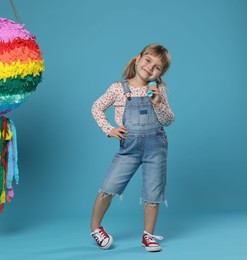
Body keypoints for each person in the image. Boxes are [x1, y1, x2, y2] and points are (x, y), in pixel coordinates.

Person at [90, 44, 174, 252]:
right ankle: (95, 228)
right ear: (138, 59)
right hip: (129, 148)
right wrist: (109, 129)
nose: (150, 68)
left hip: (156, 148)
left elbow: (168, 120)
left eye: (157, 67)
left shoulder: (158, 91)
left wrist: (157, 103)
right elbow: (96, 107)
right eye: (148, 61)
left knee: (153, 192)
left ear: (160, 74)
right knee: (109, 187)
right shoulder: (118, 88)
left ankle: (148, 235)